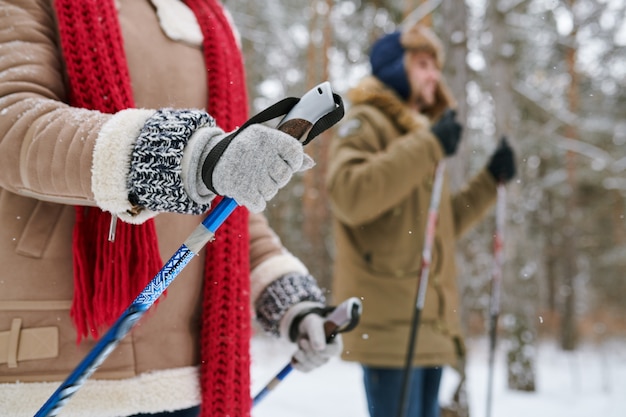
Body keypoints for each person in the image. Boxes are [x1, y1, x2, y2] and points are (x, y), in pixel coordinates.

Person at [0, 1, 343, 416]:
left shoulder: (208, 19)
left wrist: (288, 300)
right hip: (56, 373)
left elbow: (228, 197)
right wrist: (187, 156)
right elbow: (14, 124)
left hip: (189, 381)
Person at [325, 23, 516, 417]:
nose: (435, 75)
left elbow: (439, 226)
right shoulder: (368, 123)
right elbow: (349, 194)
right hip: (390, 328)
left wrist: (488, 180)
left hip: (432, 326)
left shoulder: (420, 133)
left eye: (437, 66)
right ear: (396, 67)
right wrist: (428, 145)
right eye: (424, 64)